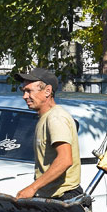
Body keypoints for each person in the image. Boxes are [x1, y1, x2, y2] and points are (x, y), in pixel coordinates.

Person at [14, 67, 82, 200]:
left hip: (64, 198)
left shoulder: (56, 118)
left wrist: (33, 187)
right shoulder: (45, 117)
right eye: (23, 91)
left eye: (29, 91)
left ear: (47, 91)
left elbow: (65, 160)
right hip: (51, 197)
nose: (24, 96)